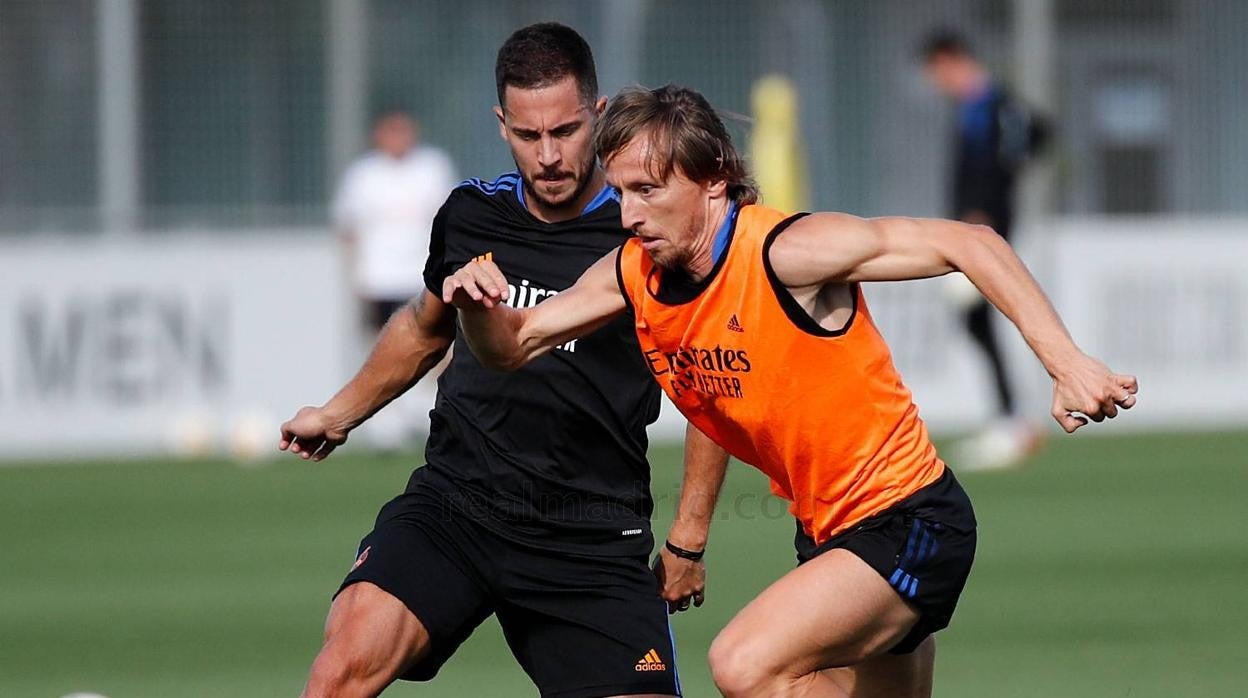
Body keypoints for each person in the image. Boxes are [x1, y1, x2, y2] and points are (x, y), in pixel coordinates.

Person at [442, 84, 1137, 698]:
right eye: (620, 191)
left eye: (648, 191)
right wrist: (475, 306)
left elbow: (972, 243)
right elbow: (512, 346)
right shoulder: (634, 274)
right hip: (827, 540)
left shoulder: (786, 253)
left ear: (712, 181)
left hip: (909, 522)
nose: (627, 213)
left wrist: (1066, 362)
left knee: (743, 664)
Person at [281, 27, 728, 698]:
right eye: (527, 135)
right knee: (342, 662)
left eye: (566, 131)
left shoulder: (645, 229)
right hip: (458, 507)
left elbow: (711, 389)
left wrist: (689, 539)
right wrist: (337, 413)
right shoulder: (469, 215)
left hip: (590, 534)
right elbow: (422, 329)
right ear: (502, 124)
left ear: (598, 115)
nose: (548, 155)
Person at [920, 30, 1052, 470]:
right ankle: (1012, 418)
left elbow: (1033, 138)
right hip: (969, 232)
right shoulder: (981, 105)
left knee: (977, 317)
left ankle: (1012, 421)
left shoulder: (990, 104)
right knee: (977, 320)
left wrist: (986, 211)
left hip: (980, 232)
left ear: (951, 60)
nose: (938, 80)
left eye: (938, 70)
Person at [332, 110, 458, 446]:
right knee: (380, 343)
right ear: (379, 134)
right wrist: (355, 276)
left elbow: (449, 219)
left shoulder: (432, 168)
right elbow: (348, 228)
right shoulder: (363, 175)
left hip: (422, 275)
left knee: (436, 342)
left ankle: (429, 411)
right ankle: (385, 420)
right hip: (378, 277)